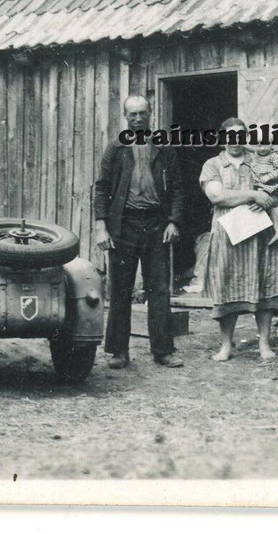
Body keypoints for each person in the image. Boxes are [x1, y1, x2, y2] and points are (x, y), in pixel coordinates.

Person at [93, 95, 185, 369]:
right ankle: (119, 351)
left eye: (142, 113)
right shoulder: (116, 148)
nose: (138, 119)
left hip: (157, 224)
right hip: (124, 225)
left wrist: (174, 221)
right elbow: (101, 188)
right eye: (132, 114)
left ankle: (163, 350)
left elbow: (179, 187)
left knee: (159, 289)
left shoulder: (163, 147)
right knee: (120, 289)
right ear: (125, 116)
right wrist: (101, 225)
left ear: (151, 113)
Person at [200, 118, 278, 362]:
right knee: (227, 286)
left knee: (264, 287)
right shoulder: (213, 164)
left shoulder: (260, 160)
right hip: (229, 235)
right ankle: (226, 346)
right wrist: (253, 194)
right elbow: (217, 196)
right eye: (229, 136)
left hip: (260, 234)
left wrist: (267, 199)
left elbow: (276, 195)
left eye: (240, 135)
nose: (235, 141)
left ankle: (264, 343)